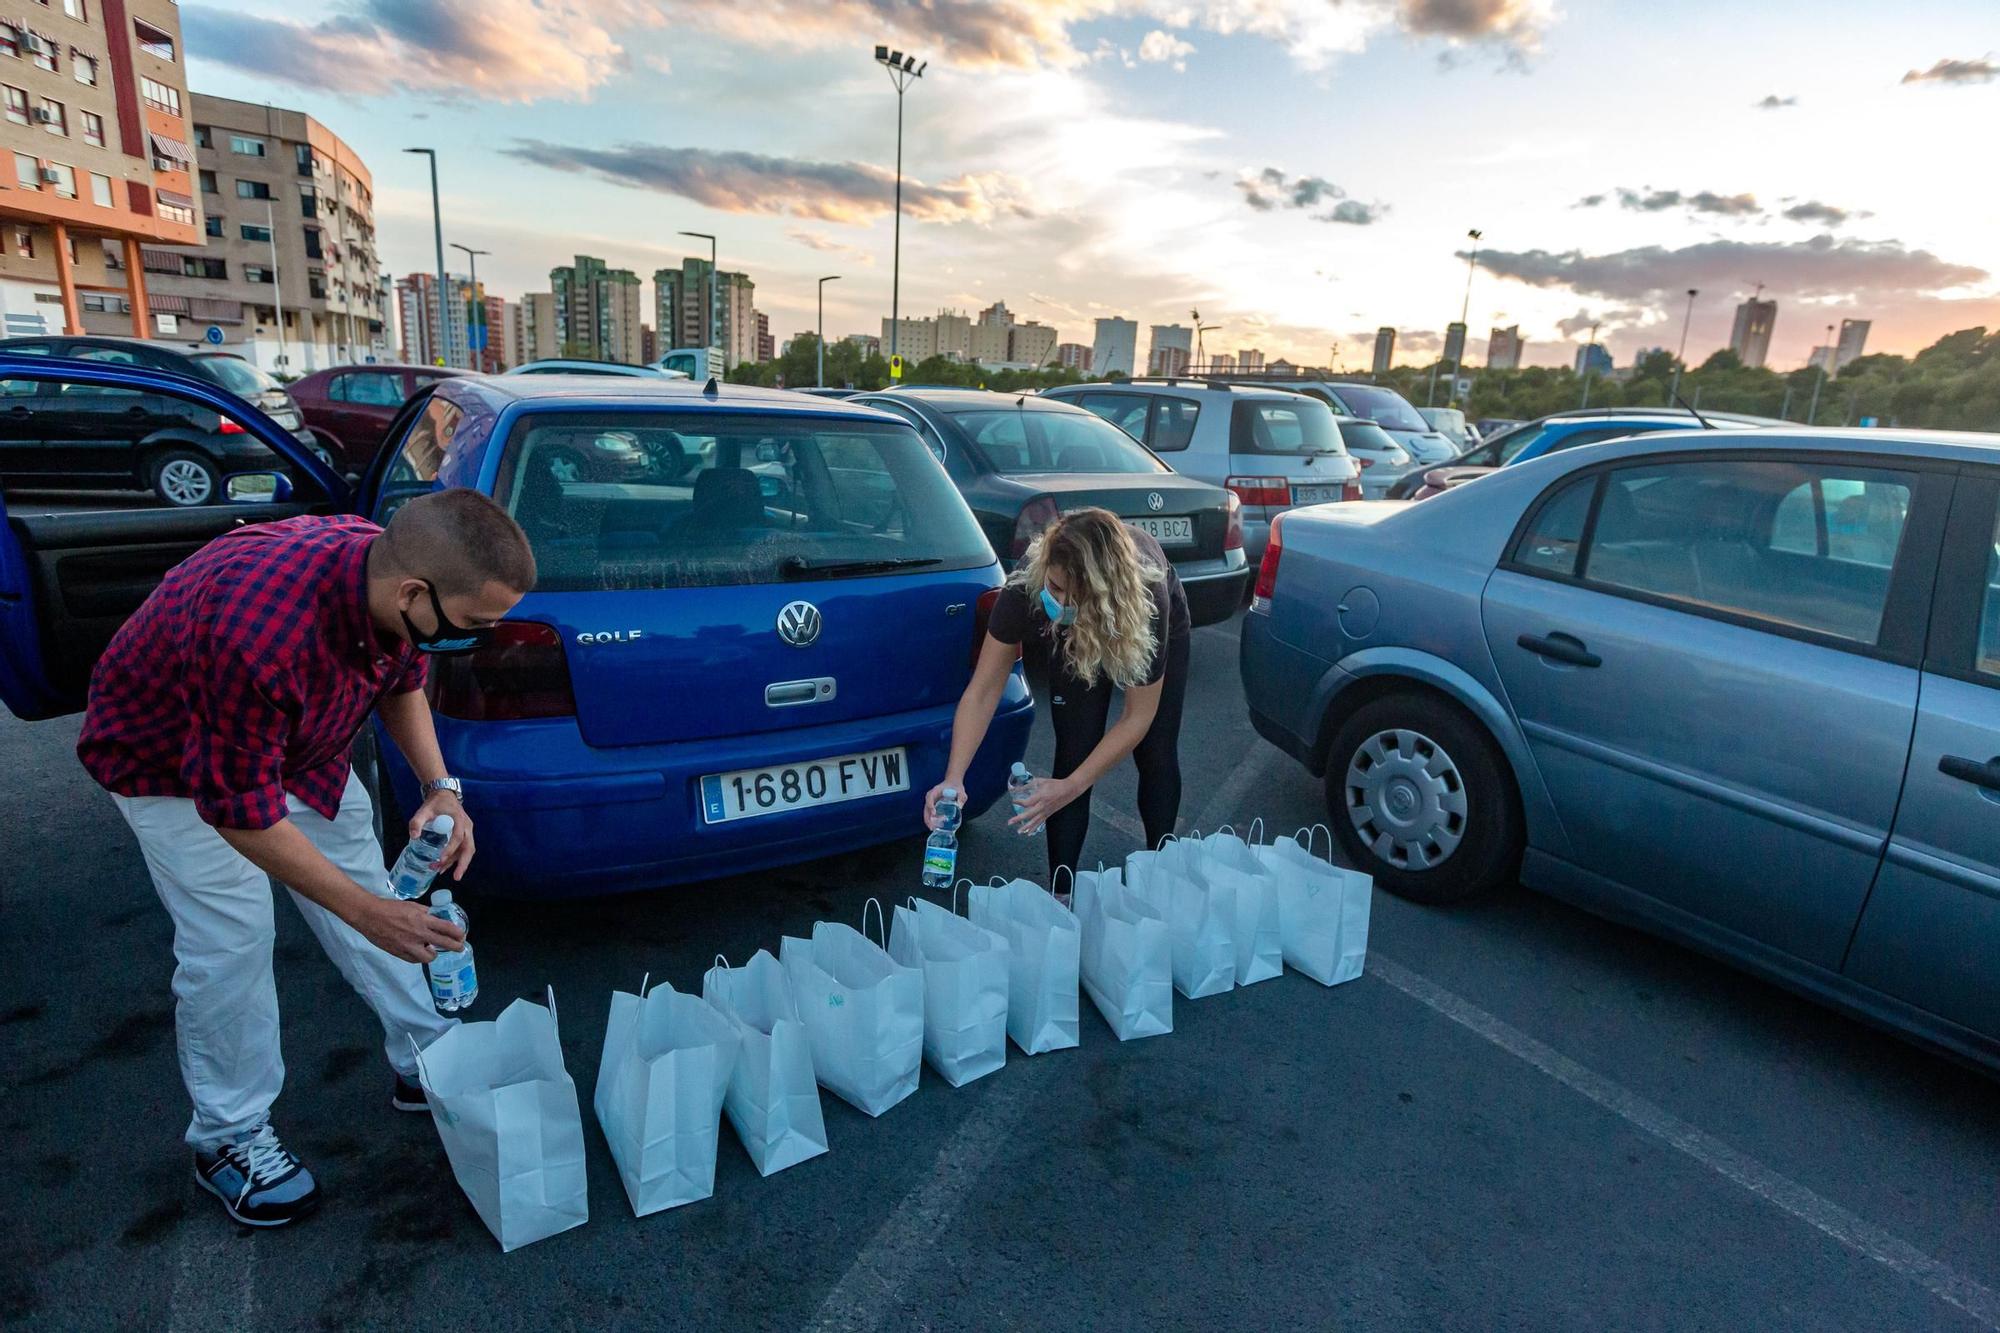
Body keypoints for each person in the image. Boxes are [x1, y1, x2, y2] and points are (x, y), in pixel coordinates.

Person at [76, 490, 536, 1228]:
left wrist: (442, 789)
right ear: (415, 592)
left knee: (373, 898)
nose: (483, 637)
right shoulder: (258, 630)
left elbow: (401, 678)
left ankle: (425, 1054)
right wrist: (365, 912)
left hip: (297, 747)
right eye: (476, 623)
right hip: (170, 763)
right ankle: (227, 1137)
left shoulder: (390, 579)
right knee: (231, 941)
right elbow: (236, 810)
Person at [926, 507, 1191, 879]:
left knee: (1156, 750)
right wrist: (954, 778)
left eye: (1074, 595)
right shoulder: (1025, 588)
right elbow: (984, 689)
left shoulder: (1148, 598)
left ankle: (1163, 874)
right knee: (1072, 751)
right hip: (1078, 638)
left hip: (1126, 622)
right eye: (1055, 587)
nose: (1061, 604)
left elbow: (1137, 717)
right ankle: (1062, 893)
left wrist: (1074, 787)